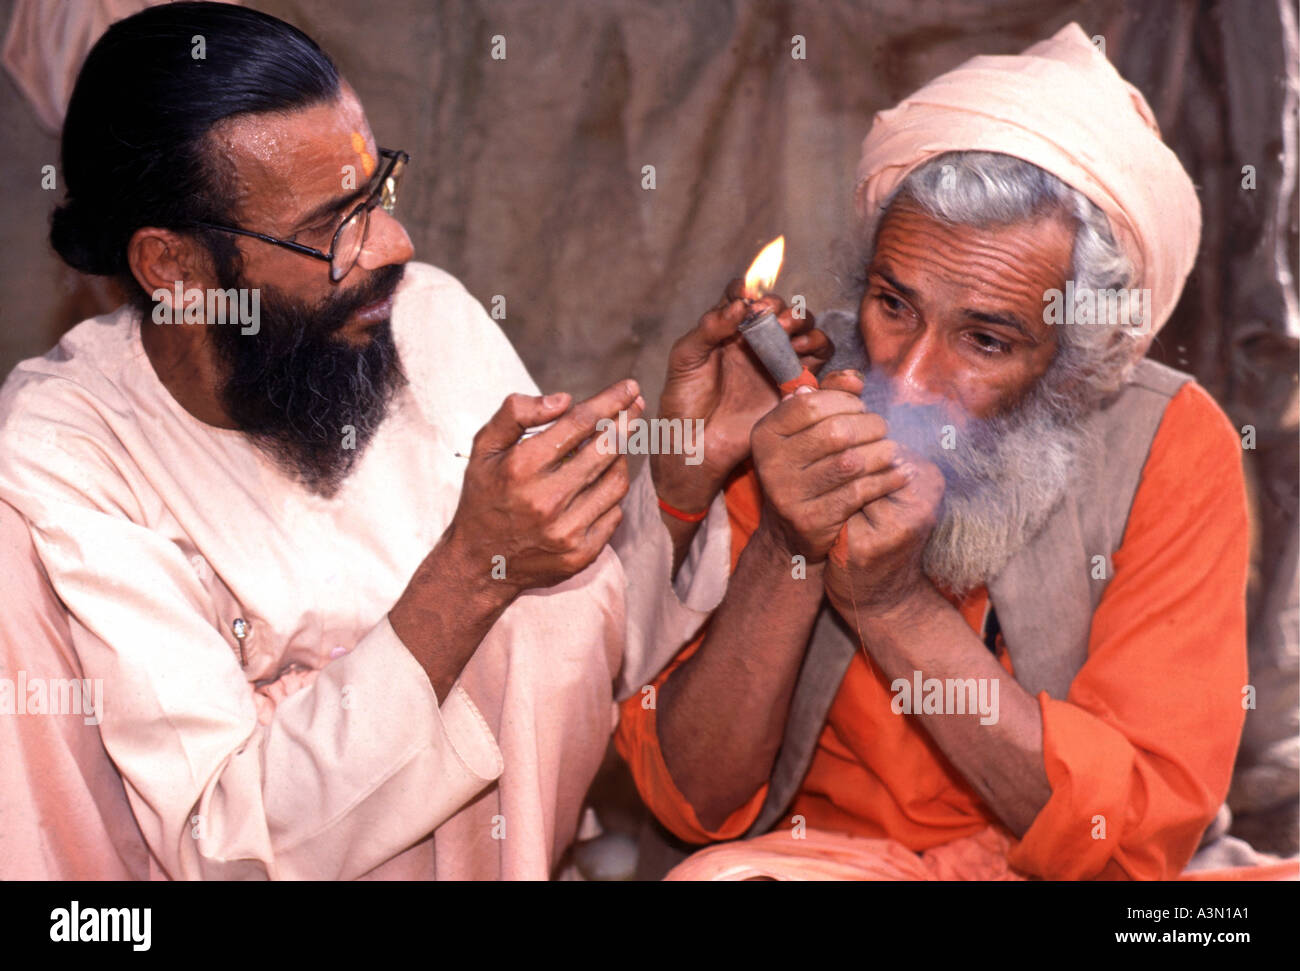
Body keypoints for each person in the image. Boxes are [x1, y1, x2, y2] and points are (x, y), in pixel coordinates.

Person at [0, 1, 826, 880]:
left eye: (376, 191)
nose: (395, 244)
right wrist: (470, 570)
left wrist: (683, 479)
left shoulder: (422, 314)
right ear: (176, 267)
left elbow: (596, 650)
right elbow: (223, 843)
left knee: (546, 602)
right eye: (329, 228)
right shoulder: (67, 453)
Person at [616, 23, 1271, 880]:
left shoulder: (1171, 441)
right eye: (894, 304)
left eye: (987, 340)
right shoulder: (796, 405)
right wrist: (787, 543)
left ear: (1079, 362)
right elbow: (689, 799)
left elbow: (1136, 833)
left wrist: (891, 604)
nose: (913, 380)